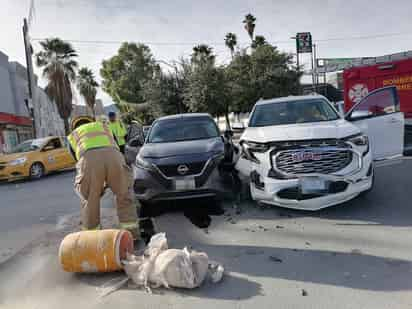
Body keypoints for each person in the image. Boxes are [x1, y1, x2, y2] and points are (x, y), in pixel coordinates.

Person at [67, 116, 139, 239]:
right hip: (115, 156)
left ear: (74, 126)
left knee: (90, 199)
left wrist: (96, 184)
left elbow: (77, 159)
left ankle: (93, 238)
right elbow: (116, 144)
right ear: (91, 122)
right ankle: (131, 235)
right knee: (124, 195)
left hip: (89, 159)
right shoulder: (104, 127)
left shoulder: (74, 135)